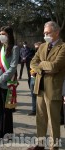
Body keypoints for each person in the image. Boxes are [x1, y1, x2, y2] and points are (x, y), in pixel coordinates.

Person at [27, 21, 65, 150]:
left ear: (56, 32)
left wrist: (41, 65)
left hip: (53, 89)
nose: (45, 35)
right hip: (40, 87)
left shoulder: (63, 47)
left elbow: (55, 66)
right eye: (44, 33)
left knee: (53, 121)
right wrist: (42, 68)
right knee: (41, 118)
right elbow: (32, 62)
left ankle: (54, 146)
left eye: (47, 33)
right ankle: (40, 144)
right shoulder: (43, 46)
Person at [0, 26, 19, 140]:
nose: (1, 36)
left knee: (7, 110)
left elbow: (12, 68)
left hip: (5, 83)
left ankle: (8, 134)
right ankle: (0, 133)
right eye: (0, 34)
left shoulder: (15, 48)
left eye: (4, 34)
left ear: (9, 35)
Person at [28, 42, 42, 116]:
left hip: (39, 78)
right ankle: (34, 110)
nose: (36, 49)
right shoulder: (33, 56)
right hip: (32, 78)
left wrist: (35, 71)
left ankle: (40, 111)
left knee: (40, 96)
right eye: (35, 48)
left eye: (38, 48)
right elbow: (31, 64)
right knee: (33, 95)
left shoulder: (43, 56)